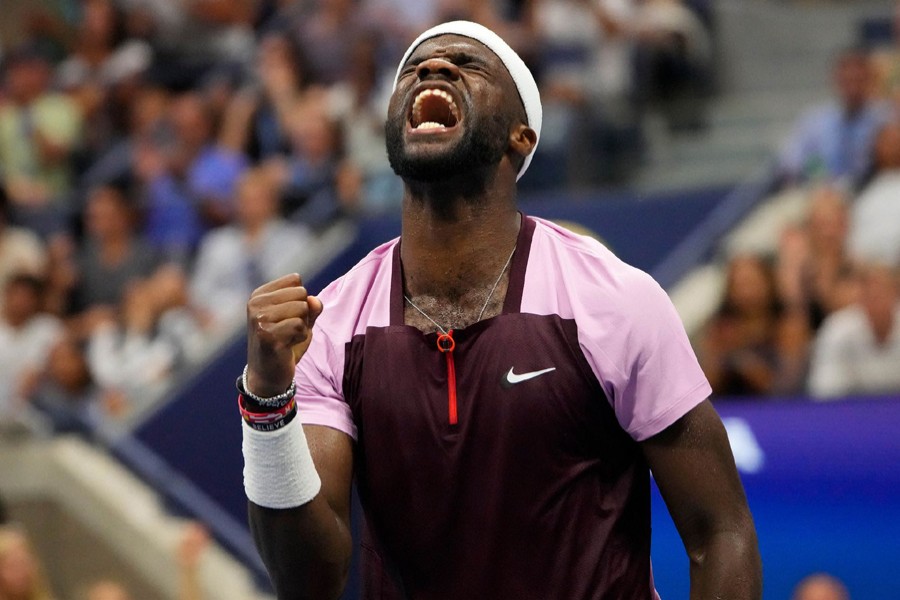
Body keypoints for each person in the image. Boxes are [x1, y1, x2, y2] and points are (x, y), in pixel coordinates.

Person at [238, 21, 760, 598]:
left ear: (522, 137)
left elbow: (722, 532)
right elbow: (308, 581)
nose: (432, 70)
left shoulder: (614, 299)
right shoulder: (331, 324)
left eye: (468, 63)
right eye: (413, 67)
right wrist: (267, 402)